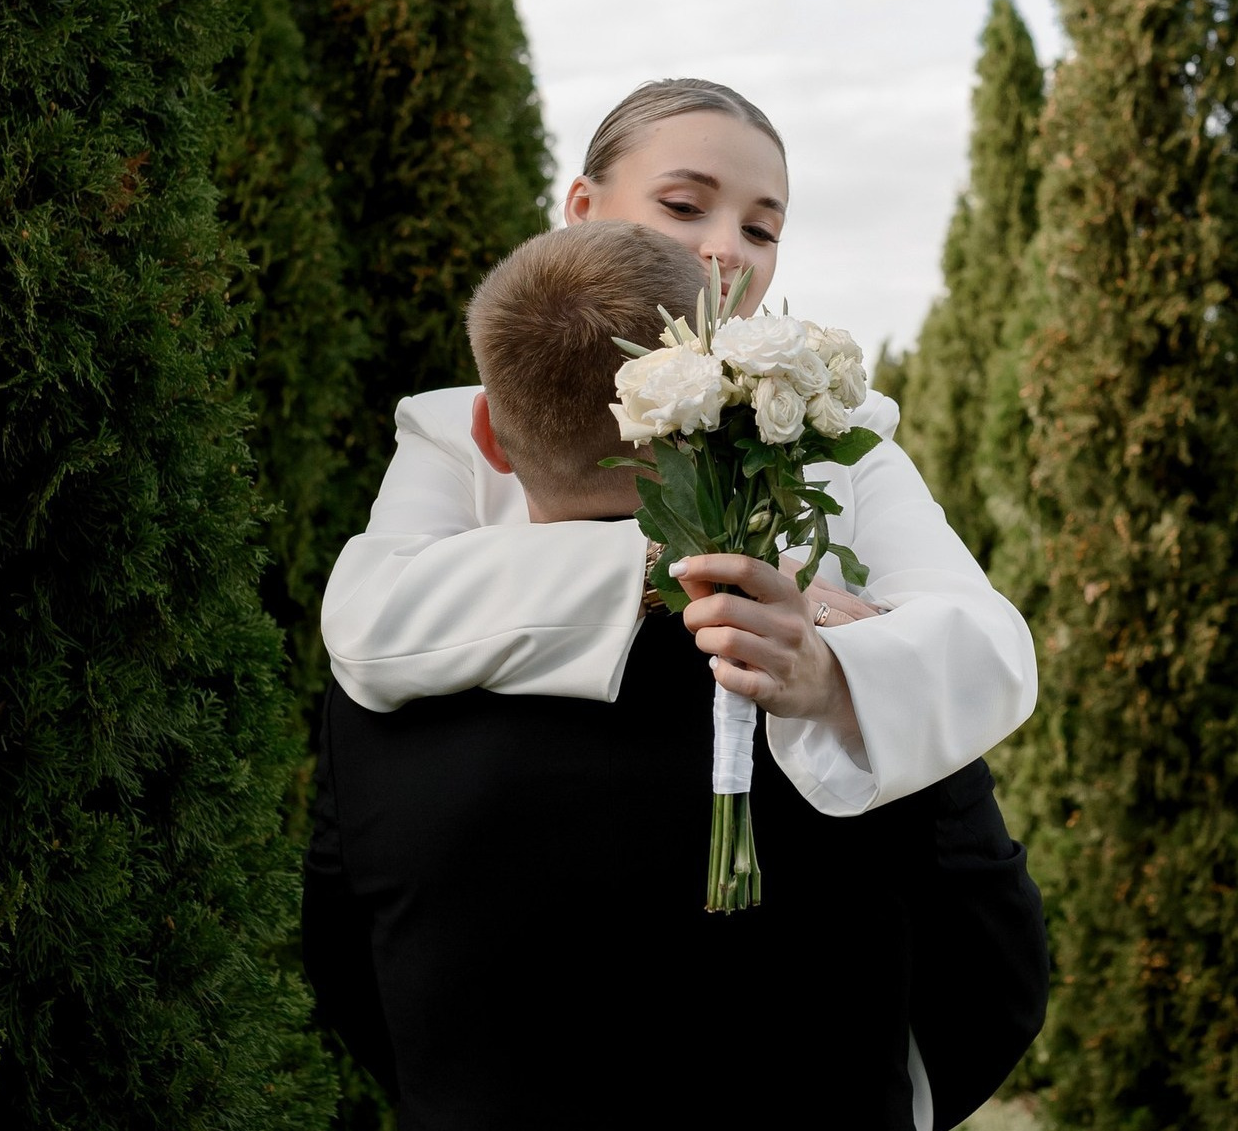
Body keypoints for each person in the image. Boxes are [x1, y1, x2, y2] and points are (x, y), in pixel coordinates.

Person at [314, 80, 1048, 1128]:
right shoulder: (456, 429)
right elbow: (371, 619)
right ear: (580, 211)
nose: (726, 250)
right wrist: (688, 564)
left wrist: (826, 671)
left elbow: (986, 645)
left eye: (761, 225)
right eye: (683, 204)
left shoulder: (847, 441)